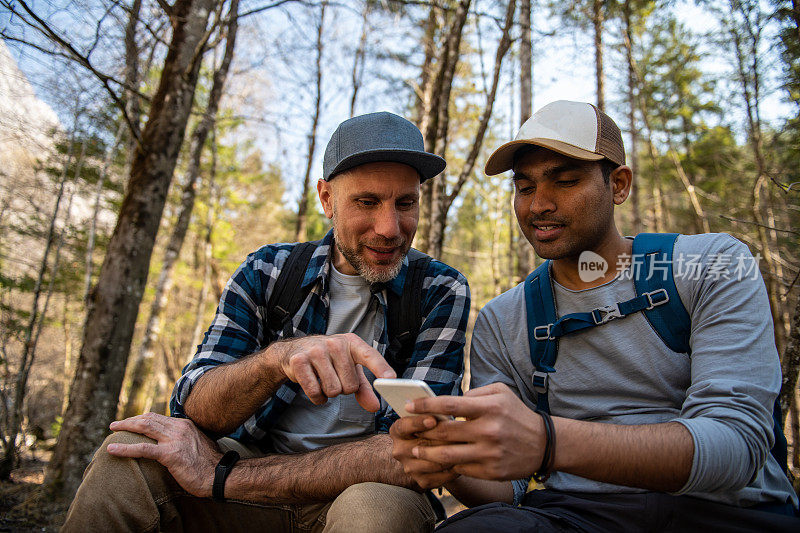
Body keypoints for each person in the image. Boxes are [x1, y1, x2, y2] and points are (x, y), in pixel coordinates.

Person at [389, 100, 800, 531]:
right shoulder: (504, 319)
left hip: (730, 512)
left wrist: (549, 443)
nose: (538, 205)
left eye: (565, 181)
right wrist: (450, 459)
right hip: (577, 516)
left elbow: (736, 447)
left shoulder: (711, 264)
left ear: (619, 185)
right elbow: (508, 488)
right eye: (524, 187)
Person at [61, 112, 470, 533]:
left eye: (405, 203)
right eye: (366, 202)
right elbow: (193, 406)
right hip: (246, 479)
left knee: (373, 511)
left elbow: (414, 451)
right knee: (126, 452)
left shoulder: (439, 290)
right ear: (327, 199)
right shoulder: (267, 271)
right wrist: (276, 361)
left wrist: (223, 476)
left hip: (362, 488)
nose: (390, 228)